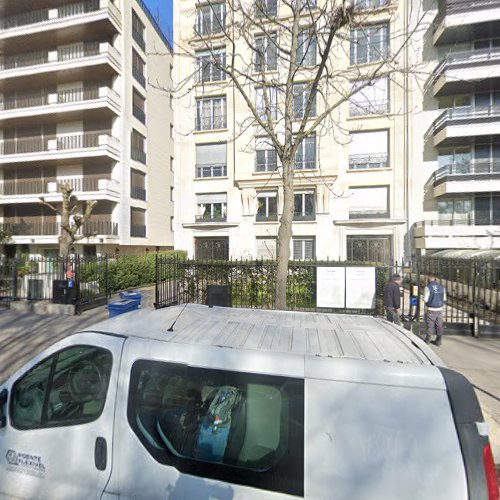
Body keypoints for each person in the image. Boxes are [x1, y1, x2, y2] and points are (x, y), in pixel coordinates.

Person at [424, 273, 447, 346]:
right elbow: (444, 299)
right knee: (439, 325)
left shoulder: (428, 287)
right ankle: (438, 341)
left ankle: (427, 340)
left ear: (429, 278)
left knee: (430, 324)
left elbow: (425, 299)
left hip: (431, 309)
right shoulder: (442, 287)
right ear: (435, 278)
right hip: (439, 309)